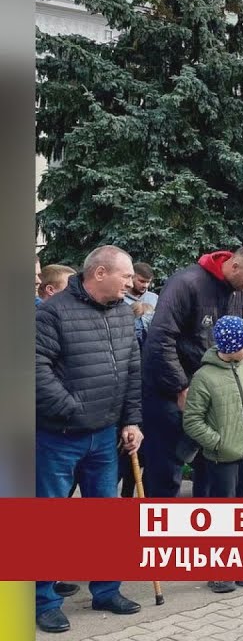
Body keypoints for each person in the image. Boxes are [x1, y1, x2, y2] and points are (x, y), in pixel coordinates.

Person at [35, 245, 143, 633]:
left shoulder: (123, 313)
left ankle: (107, 590)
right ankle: (43, 600)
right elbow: (34, 368)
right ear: (99, 273)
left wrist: (132, 419)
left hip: (105, 435)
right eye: (126, 276)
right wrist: (72, 408)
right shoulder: (53, 313)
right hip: (58, 436)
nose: (131, 283)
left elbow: (132, 368)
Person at [141, 246, 243, 499]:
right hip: (173, 391)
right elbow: (161, 339)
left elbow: (237, 342)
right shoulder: (186, 283)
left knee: (211, 470)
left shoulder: (241, 291)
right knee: (167, 468)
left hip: (215, 391)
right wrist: (180, 386)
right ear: (234, 266)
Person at [181, 315, 243, 594]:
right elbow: (192, 420)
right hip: (222, 458)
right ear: (231, 347)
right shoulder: (204, 377)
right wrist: (217, 443)